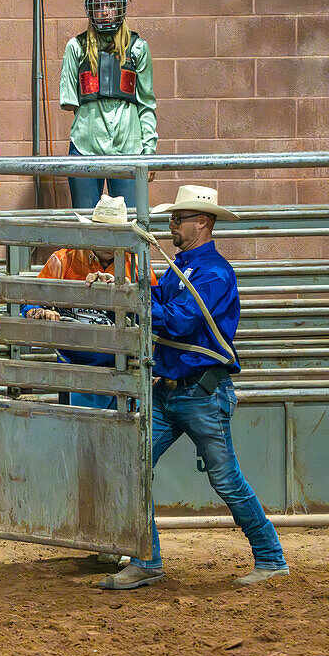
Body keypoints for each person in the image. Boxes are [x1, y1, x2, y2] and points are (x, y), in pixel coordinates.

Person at [99, 185, 289, 590]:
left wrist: (129, 298)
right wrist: (121, 287)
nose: (171, 224)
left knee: (226, 480)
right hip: (172, 390)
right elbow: (161, 302)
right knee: (133, 467)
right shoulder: (184, 268)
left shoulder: (215, 273)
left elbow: (180, 321)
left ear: (201, 223)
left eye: (178, 219)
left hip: (201, 392)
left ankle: (271, 557)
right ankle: (146, 559)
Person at [22, 195, 155, 409]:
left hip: (124, 364)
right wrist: (38, 311)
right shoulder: (63, 259)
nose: (110, 242)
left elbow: (152, 311)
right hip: (75, 362)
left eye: (116, 235)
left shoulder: (138, 265)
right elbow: (30, 303)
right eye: (104, 234)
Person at [60, 0, 156, 210]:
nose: (104, 11)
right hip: (85, 146)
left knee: (132, 221)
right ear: (90, 9)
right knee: (84, 221)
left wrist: (149, 153)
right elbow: (70, 102)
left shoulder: (137, 48)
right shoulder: (76, 47)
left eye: (111, 4)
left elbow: (146, 105)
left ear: (121, 7)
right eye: (99, 5)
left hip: (130, 147)